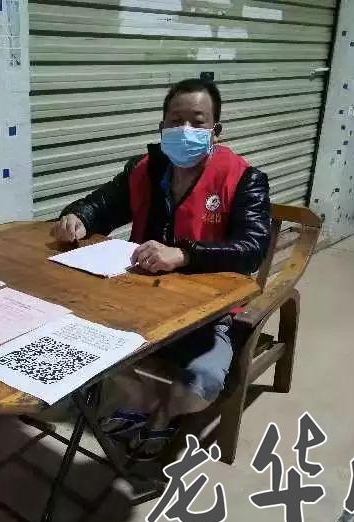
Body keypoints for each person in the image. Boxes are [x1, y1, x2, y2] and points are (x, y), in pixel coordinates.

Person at [51, 78, 271, 459]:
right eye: (176, 120)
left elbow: (252, 248)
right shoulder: (145, 170)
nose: (185, 130)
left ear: (216, 130)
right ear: (162, 126)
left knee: (203, 382)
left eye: (197, 122)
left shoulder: (244, 179)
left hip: (208, 314)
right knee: (74, 343)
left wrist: (184, 255)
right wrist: (77, 218)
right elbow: (100, 205)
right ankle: (139, 401)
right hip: (139, 302)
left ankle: (164, 414)